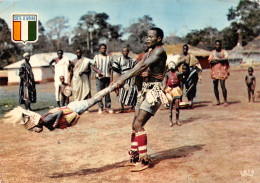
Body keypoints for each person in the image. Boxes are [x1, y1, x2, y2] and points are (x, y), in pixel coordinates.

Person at [113, 27, 168, 172]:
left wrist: (123, 79)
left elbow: (143, 66)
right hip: (143, 91)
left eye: (151, 37)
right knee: (134, 124)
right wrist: (122, 80)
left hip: (154, 92)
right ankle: (135, 157)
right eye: (147, 36)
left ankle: (144, 160)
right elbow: (138, 66)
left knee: (138, 124)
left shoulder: (159, 51)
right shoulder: (148, 52)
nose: (147, 39)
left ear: (159, 39)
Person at [112, 48, 138, 112]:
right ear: (122, 52)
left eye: (126, 51)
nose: (125, 53)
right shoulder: (118, 60)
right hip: (122, 77)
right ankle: (122, 107)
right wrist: (116, 79)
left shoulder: (133, 60)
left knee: (133, 90)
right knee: (122, 91)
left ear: (128, 52)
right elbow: (115, 69)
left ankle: (133, 106)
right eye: (124, 51)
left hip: (131, 77)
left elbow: (136, 68)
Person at [92, 44, 114, 114]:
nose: (103, 50)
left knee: (107, 93)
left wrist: (112, 78)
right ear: (99, 49)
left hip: (107, 77)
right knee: (99, 93)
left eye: (104, 48)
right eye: (102, 48)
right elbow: (93, 66)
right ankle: (100, 107)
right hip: (99, 78)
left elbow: (111, 68)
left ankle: (108, 107)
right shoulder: (96, 57)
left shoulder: (109, 58)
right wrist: (98, 72)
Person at [208, 40, 229, 106]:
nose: (218, 46)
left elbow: (226, 59)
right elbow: (210, 61)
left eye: (219, 45)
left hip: (222, 70)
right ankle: (218, 100)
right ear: (215, 45)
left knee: (223, 85)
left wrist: (216, 60)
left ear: (221, 45)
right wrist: (220, 60)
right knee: (215, 86)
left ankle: (225, 101)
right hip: (214, 71)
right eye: (216, 45)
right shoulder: (212, 53)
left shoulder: (224, 52)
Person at [163, 61, 183, 127]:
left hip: (176, 90)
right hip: (169, 90)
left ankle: (177, 120)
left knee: (177, 106)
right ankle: (171, 121)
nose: (171, 66)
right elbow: (165, 82)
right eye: (170, 65)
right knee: (170, 107)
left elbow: (181, 83)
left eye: (172, 65)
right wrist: (163, 90)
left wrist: (181, 92)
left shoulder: (178, 74)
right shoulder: (167, 74)